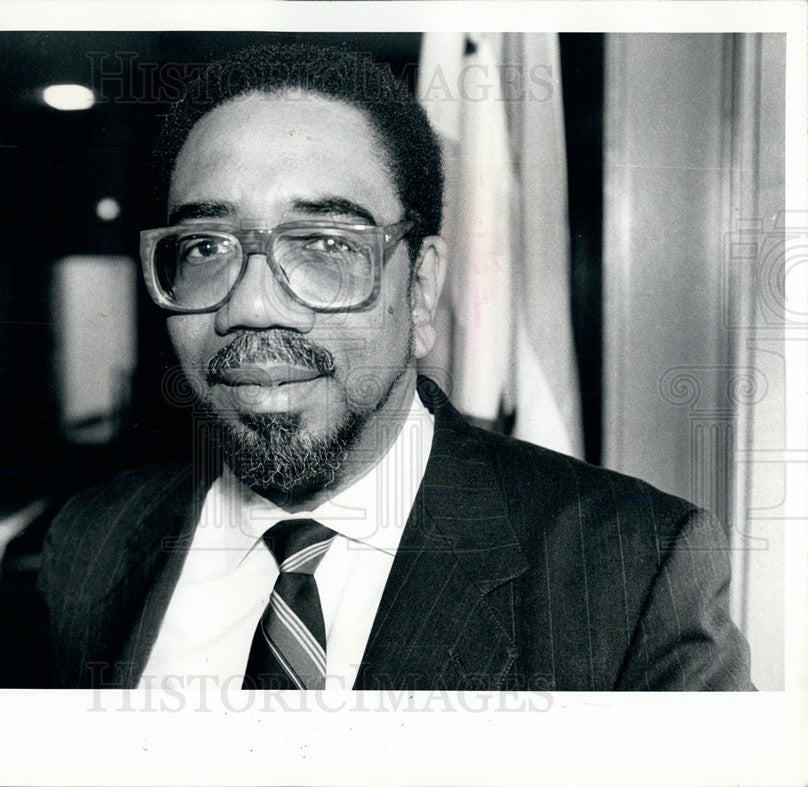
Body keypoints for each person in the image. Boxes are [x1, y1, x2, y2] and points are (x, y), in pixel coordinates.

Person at [37, 43, 753, 691]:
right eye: (204, 248)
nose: (252, 305)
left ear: (420, 288)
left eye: (323, 244)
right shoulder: (90, 545)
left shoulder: (633, 575)